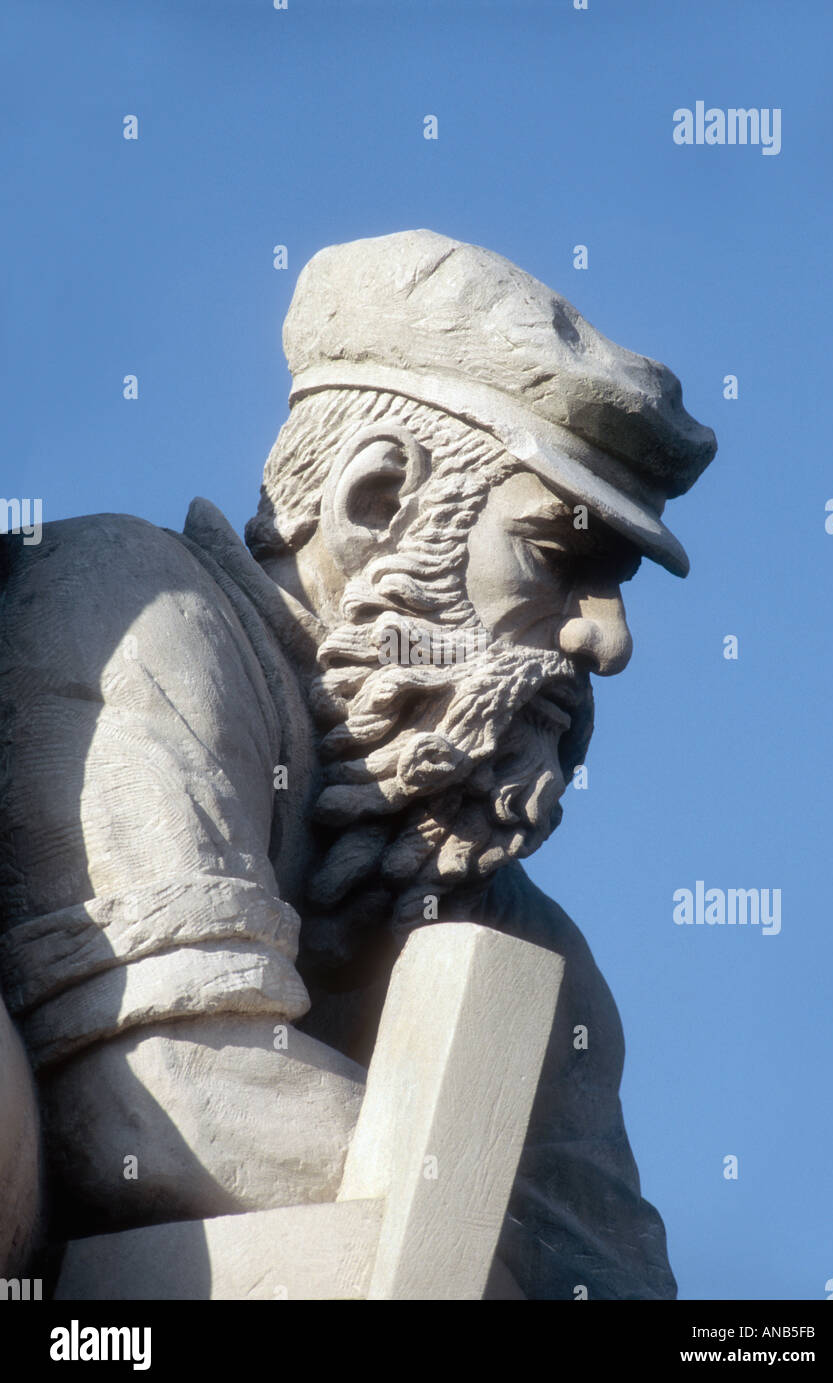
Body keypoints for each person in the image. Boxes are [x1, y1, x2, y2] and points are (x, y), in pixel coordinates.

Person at [0, 229, 715, 1298]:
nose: (605, 640)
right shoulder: (134, 608)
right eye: (558, 560)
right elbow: (159, 1097)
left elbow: (606, 1271)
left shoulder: (519, 937)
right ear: (376, 500)